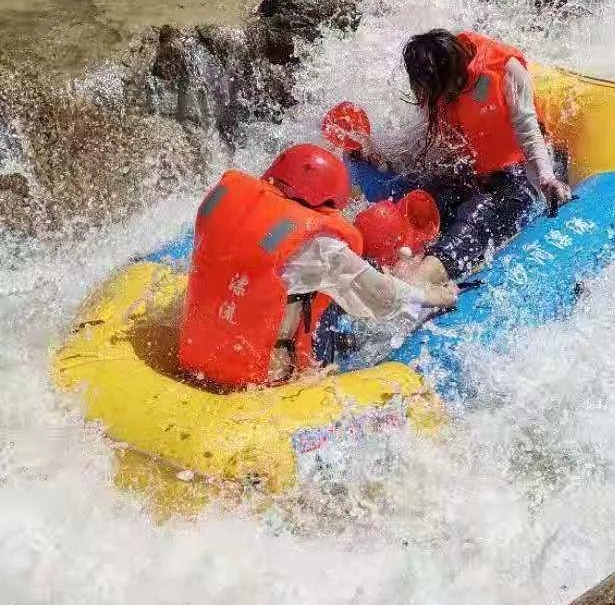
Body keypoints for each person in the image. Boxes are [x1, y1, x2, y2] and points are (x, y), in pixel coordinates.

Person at [177, 144, 457, 390]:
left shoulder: (219, 202)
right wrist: (432, 297)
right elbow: (382, 300)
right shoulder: (320, 244)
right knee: (346, 307)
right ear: (327, 201)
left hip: (193, 358)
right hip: (260, 380)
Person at [400, 29, 573, 281]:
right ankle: (405, 259)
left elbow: (528, 130)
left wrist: (547, 178)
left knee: (479, 213)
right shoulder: (439, 83)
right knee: (431, 198)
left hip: (523, 173)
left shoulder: (505, 70)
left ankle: (425, 277)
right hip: (478, 175)